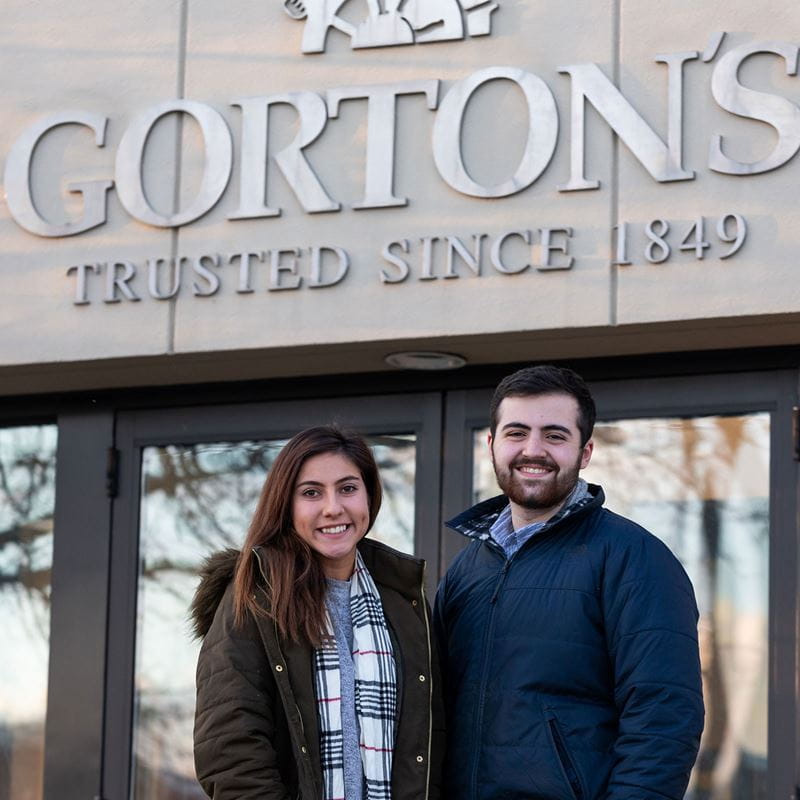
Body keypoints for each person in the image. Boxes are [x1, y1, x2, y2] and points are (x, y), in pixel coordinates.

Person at [434, 365, 704, 800]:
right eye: (516, 433)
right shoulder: (467, 568)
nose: (533, 450)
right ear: (491, 444)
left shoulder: (634, 558)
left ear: (585, 452)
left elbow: (663, 719)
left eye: (555, 435)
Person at [192, 425, 444, 800]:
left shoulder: (403, 600)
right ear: (286, 504)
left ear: (369, 495)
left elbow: (429, 742)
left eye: (347, 488)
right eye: (311, 493)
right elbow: (230, 749)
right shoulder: (256, 596)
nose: (333, 508)